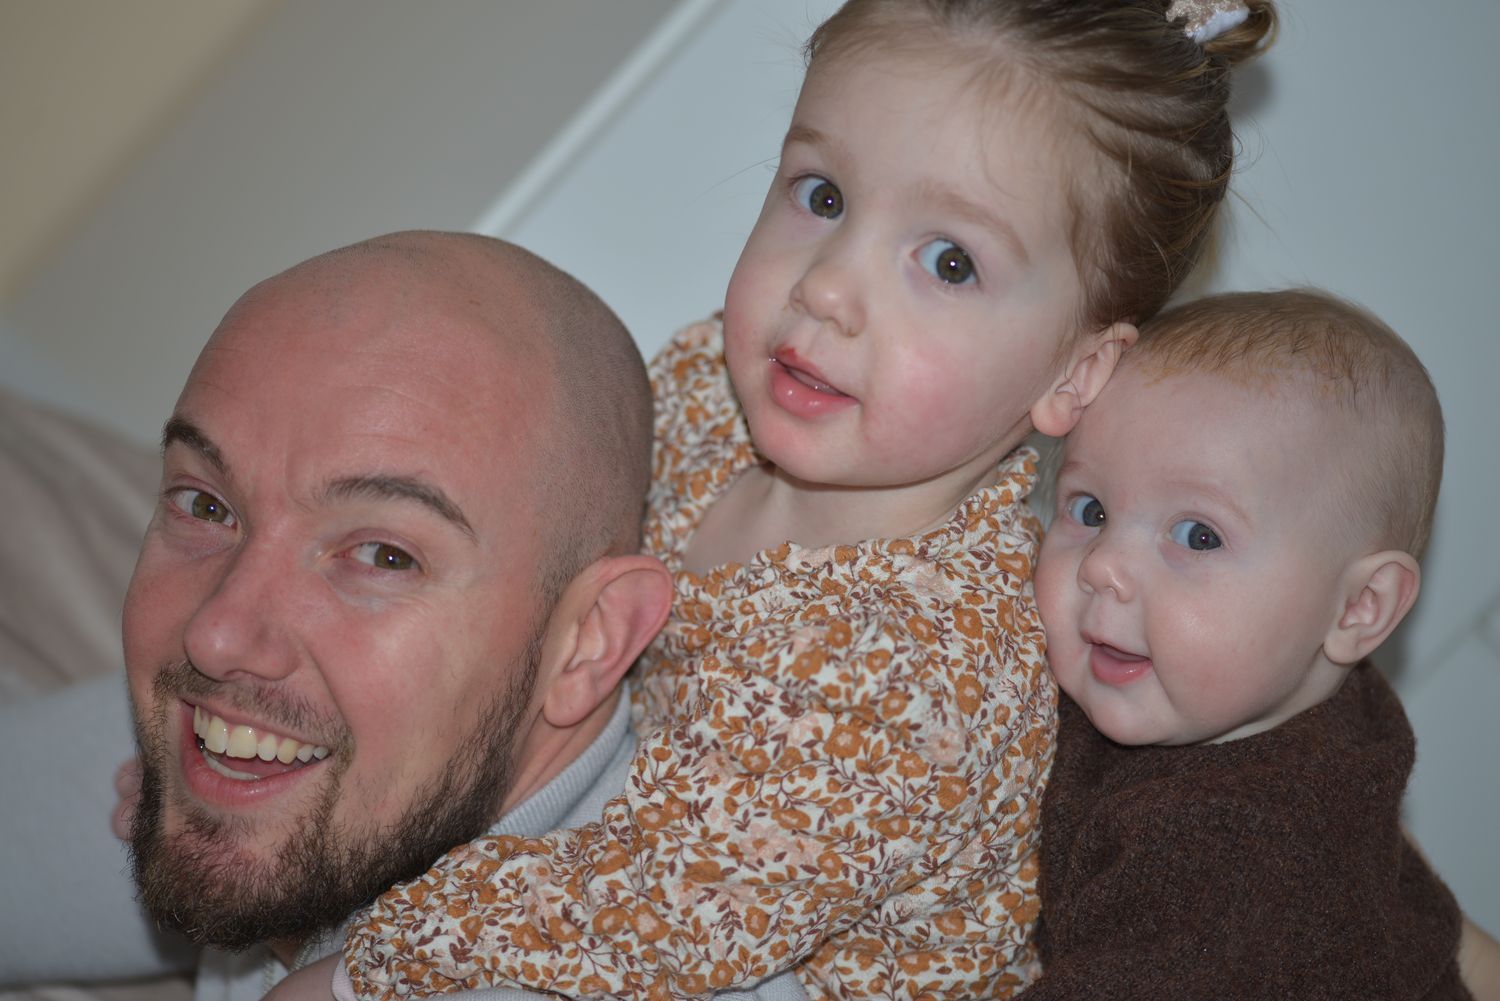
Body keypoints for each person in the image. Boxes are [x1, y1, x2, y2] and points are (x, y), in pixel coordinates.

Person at [317, 3, 1280, 1000]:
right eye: (822, 196)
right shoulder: (704, 386)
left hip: (730, 942)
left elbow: (664, 914)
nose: (825, 287)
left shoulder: (924, 667)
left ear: (1075, 372)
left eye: (948, 262)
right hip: (628, 840)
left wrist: (369, 966)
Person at [111, 229, 696, 999]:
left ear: (588, 641)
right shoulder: (265, 749)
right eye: (206, 505)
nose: (216, 634)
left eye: (384, 556)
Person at [1025, 289, 1471, 997]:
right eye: (1091, 509)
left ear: (1359, 607)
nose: (1104, 566)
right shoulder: (1285, 683)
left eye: (1198, 535)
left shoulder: (1233, 862)